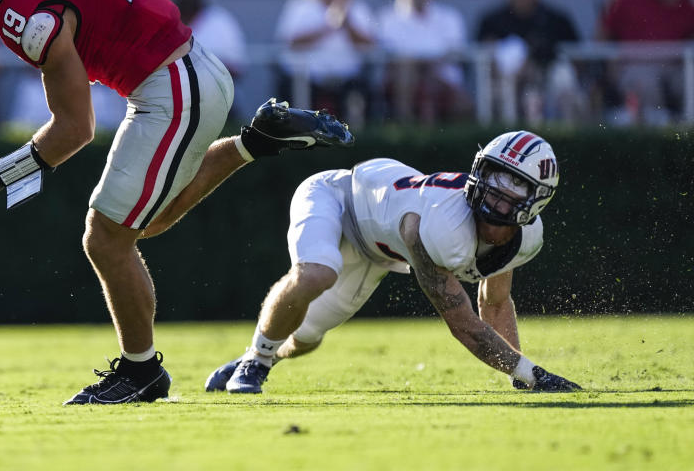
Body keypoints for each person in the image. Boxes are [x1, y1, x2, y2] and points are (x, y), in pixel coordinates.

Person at [0, 0, 354, 405]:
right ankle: (255, 141)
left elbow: (74, 130)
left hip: (171, 88)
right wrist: (150, 35)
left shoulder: (25, 18)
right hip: (186, 71)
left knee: (105, 238)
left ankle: (140, 371)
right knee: (138, 227)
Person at [205, 131, 582, 395]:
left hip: (377, 253)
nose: (499, 190)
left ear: (536, 200)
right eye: (495, 175)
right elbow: (464, 324)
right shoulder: (439, 222)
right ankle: (255, 363)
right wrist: (532, 372)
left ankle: (256, 356)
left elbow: (495, 301)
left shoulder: (523, 239)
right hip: (337, 199)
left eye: (513, 184)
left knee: (304, 338)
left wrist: (520, 378)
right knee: (316, 272)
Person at [595, 0, 694, 124]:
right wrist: (610, 63)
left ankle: (687, 135)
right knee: (646, 83)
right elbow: (600, 38)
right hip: (635, 67)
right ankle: (656, 138)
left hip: (674, 68)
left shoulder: (688, 5)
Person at [275, 0, 377, 128]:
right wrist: (328, 27)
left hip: (348, 80)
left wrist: (348, 25)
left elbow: (369, 45)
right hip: (306, 80)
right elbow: (291, 42)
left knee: (362, 97)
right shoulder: (298, 7)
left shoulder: (357, 8)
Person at [476, 0, 583, 124]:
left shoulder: (557, 20)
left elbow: (578, 61)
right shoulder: (491, 21)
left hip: (548, 83)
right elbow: (484, 60)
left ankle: (566, 137)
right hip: (507, 86)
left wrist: (535, 66)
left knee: (563, 79)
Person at [375, 0, 472, 124]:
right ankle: (406, 129)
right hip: (404, 83)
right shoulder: (386, 19)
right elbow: (392, 57)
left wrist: (427, 68)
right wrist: (423, 66)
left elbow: (455, 54)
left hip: (442, 81)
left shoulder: (450, 17)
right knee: (407, 72)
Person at [170, 0, 249, 121]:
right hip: (173, 106)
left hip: (217, 105)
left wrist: (200, 65)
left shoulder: (220, 20)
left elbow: (238, 68)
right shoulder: (165, 23)